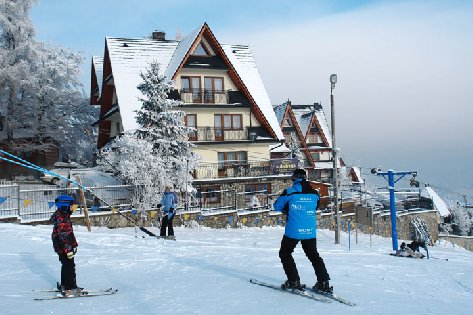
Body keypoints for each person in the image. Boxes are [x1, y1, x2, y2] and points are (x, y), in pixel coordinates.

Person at [273, 169, 332, 293]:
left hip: (294, 230)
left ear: (294, 178)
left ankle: (293, 281)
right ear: (305, 178)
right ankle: (324, 282)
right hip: (310, 230)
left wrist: (288, 209)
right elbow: (315, 207)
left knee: (285, 253)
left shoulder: (289, 192)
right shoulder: (315, 194)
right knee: (314, 256)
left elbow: (277, 206)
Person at [50, 195, 80, 296]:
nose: (73, 209)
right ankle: (69, 288)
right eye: (72, 207)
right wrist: (69, 250)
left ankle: (64, 284)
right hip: (64, 247)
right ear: (64, 206)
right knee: (70, 266)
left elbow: (68, 234)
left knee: (66, 264)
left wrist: (74, 244)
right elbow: (64, 237)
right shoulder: (62, 220)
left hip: (62, 247)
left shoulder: (63, 216)